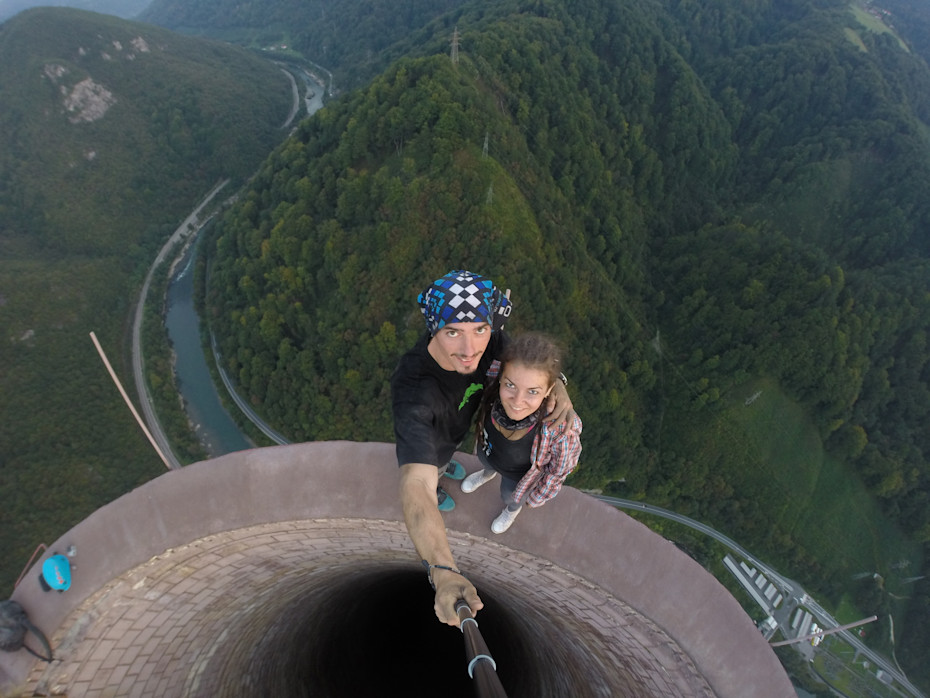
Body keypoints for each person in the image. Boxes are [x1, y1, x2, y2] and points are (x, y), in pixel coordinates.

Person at [391, 270, 573, 626]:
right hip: (435, 441)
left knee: (450, 459)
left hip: (461, 430)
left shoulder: (492, 341)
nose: (469, 348)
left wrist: (559, 387)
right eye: (452, 332)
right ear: (434, 329)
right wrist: (444, 571)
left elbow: (527, 367)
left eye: (479, 329)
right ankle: (443, 481)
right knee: (434, 471)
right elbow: (415, 482)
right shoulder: (415, 391)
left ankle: (448, 468)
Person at [462, 332, 582, 534]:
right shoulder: (491, 379)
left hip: (518, 477)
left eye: (532, 391)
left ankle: (511, 510)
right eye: (510, 385)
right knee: (486, 463)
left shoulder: (561, 430)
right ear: (500, 378)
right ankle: (486, 474)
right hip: (489, 450)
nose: (517, 401)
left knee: (509, 496)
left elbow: (558, 471)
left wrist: (536, 498)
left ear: (549, 390)